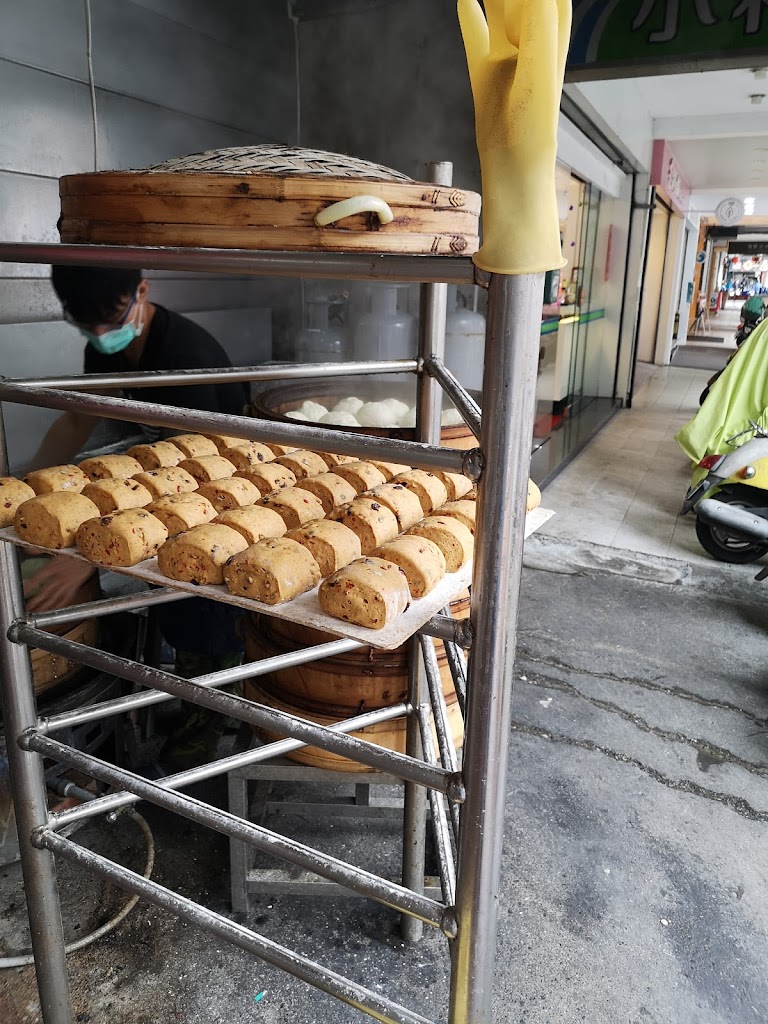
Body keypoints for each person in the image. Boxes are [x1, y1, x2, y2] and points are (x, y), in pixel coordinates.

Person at [27, 265, 252, 766]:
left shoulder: (184, 359)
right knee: (172, 604)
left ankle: (206, 732)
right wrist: (25, 495)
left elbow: (191, 482)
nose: (100, 335)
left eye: (110, 321)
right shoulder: (105, 342)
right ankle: (194, 695)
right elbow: (78, 418)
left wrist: (88, 557)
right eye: (86, 325)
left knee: (203, 615)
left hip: (220, 494)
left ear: (142, 291)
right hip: (169, 490)